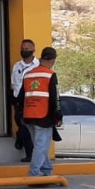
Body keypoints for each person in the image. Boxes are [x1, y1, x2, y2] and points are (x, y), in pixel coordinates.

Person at [17, 47, 62, 177]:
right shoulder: (50, 75)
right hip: (43, 116)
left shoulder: (28, 74)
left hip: (28, 116)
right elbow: (56, 98)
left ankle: (47, 170)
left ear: (41, 58)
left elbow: (21, 96)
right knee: (41, 146)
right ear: (53, 60)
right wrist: (59, 116)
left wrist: (20, 114)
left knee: (40, 146)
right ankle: (33, 173)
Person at [11, 39, 39, 162]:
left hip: (32, 100)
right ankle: (20, 138)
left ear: (33, 50)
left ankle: (28, 152)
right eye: (23, 49)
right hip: (18, 100)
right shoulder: (17, 66)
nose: (24, 51)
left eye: (27, 49)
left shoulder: (38, 66)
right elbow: (14, 83)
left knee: (26, 126)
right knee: (21, 123)